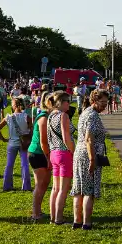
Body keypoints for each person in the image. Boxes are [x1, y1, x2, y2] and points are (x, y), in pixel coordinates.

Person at [71, 89, 110, 230]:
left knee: (78, 188)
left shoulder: (85, 112)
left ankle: (77, 221)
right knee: (89, 190)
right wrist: (93, 160)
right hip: (89, 154)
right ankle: (86, 223)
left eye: (107, 102)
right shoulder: (92, 115)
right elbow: (89, 139)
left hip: (79, 153)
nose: (105, 105)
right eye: (103, 102)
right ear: (94, 100)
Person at [47, 90, 76, 225]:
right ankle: (59, 218)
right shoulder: (63, 116)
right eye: (68, 102)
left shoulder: (50, 115)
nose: (69, 105)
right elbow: (66, 138)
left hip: (54, 153)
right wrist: (74, 151)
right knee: (63, 189)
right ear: (61, 102)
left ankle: (53, 216)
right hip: (64, 154)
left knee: (55, 188)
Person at [0, 97, 33, 192]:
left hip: (12, 143)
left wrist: (3, 138)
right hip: (24, 143)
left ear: (14, 106)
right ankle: (26, 186)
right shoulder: (26, 117)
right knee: (25, 164)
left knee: (9, 165)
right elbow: (31, 130)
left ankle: (7, 185)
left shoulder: (8, 117)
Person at [26, 92, 53, 220]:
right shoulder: (43, 118)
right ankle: (35, 213)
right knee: (40, 184)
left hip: (43, 153)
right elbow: (43, 142)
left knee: (44, 183)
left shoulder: (48, 116)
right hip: (38, 153)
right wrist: (48, 159)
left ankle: (38, 211)